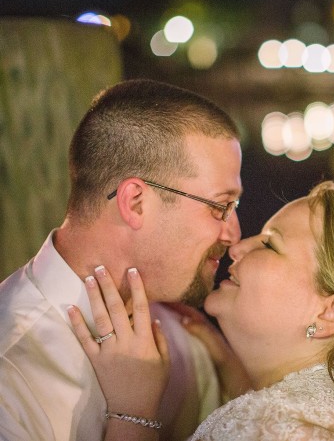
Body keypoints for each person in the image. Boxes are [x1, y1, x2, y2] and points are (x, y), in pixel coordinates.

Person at [69, 181, 334, 441]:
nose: (237, 247)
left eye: (270, 244)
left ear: (330, 313)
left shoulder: (270, 425)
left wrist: (132, 412)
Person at [0, 79, 244, 441]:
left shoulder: (185, 339)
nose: (233, 234)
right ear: (135, 202)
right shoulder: (11, 364)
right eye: (220, 206)